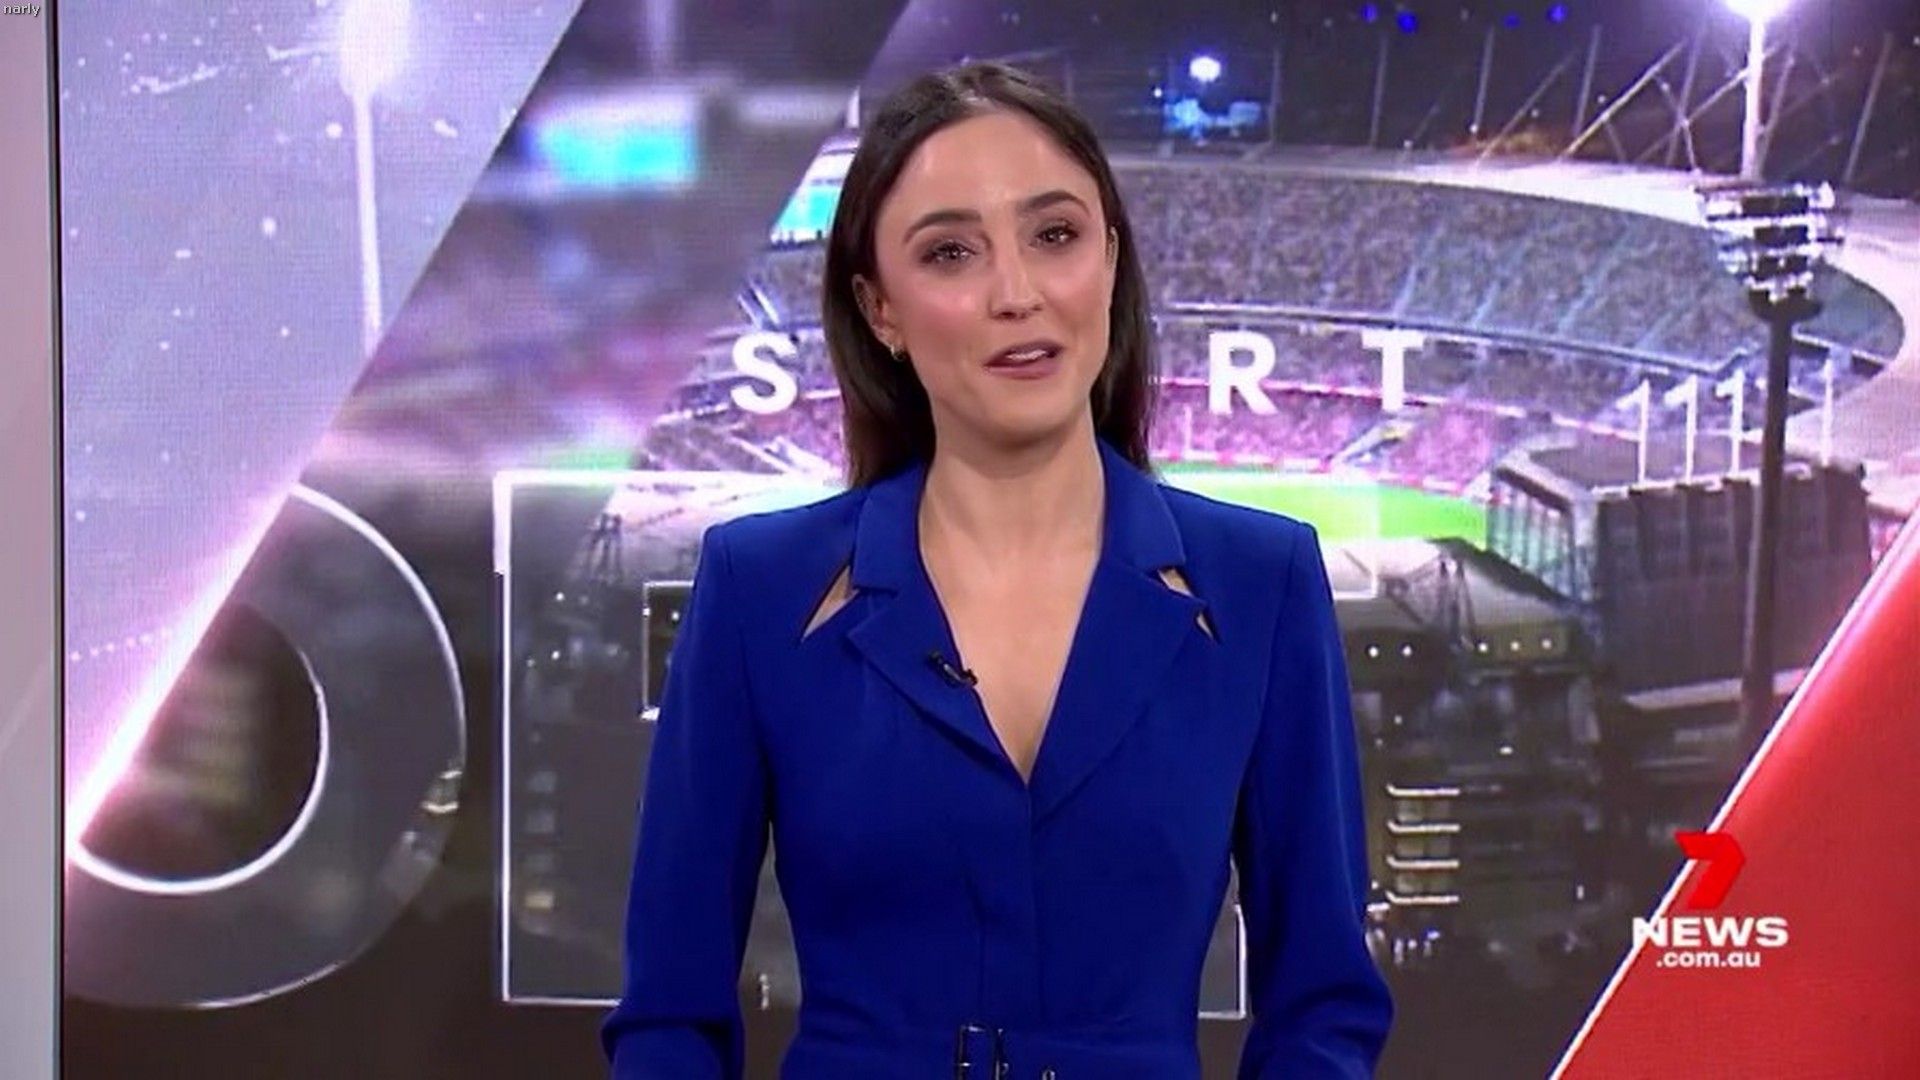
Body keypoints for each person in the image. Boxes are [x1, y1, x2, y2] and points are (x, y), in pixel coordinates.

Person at [601, 60, 1394, 1079]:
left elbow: (1323, 1009)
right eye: (950, 253)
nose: (1018, 294)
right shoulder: (758, 588)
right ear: (880, 309)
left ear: (1111, 258)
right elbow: (669, 1017)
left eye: (1055, 235)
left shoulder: (1261, 583)